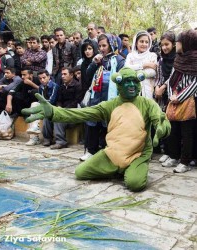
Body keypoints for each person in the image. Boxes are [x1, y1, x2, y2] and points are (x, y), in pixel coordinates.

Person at [22, 67, 171, 192]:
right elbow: (81, 114)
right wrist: (54, 112)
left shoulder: (148, 104)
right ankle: (118, 168)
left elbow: (160, 120)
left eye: (134, 81)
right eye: (126, 82)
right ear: (119, 85)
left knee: (135, 184)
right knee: (80, 172)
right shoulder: (109, 105)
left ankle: (129, 168)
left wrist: (162, 128)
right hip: (112, 154)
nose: (131, 85)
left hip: (137, 155)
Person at [81, 34, 125, 161]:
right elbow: (88, 75)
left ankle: (107, 151)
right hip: (96, 96)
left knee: (108, 125)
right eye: (99, 46)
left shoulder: (120, 60)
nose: (101, 48)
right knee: (93, 122)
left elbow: (121, 79)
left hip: (111, 97)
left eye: (104, 45)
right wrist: (95, 63)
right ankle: (91, 150)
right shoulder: (98, 59)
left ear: (112, 45)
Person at [161, 29, 197, 173]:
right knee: (172, 130)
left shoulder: (195, 59)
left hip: (189, 100)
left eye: (179, 42)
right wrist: (171, 94)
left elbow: (194, 83)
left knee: (187, 133)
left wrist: (180, 97)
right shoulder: (178, 58)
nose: (177, 44)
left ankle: (185, 161)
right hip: (174, 98)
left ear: (188, 43)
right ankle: (174, 156)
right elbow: (171, 78)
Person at [41, 67, 81, 149]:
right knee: (47, 116)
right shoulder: (62, 87)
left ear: (71, 75)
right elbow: (59, 100)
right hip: (63, 110)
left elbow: (76, 101)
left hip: (73, 114)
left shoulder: (78, 86)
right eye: (62, 74)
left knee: (58, 117)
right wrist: (59, 107)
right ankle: (48, 139)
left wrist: (63, 110)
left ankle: (61, 142)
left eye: (65, 74)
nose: (62, 76)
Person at [154, 32, 176, 163]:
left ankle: (173, 153)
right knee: (164, 123)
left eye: (167, 44)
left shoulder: (178, 59)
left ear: (173, 44)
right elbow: (158, 76)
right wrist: (157, 87)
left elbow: (174, 76)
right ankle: (166, 151)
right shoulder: (161, 60)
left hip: (173, 95)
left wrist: (163, 87)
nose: (164, 48)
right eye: (162, 45)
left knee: (173, 125)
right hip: (162, 96)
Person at [26, 69, 59, 146]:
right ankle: (34, 136)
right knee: (34, 104)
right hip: (44, 108)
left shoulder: (54, 86)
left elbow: (52, 101)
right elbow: (40, 100)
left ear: (49, 77)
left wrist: (42, 105)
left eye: (44, 77)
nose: (42, 80)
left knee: (37, 107)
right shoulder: (41, 87)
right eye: (40, 79)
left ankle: (35, 133)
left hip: (52, 108)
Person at [125, 30, 157, 99]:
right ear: (136, 43)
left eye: (146, 42)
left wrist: (134, 70)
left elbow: (152, 72)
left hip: (148, 91)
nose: (144, 44)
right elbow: (127, 69)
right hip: (132, 88)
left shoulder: (152, 55)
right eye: (141, 41)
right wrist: (144, 65)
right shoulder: (130, 56)